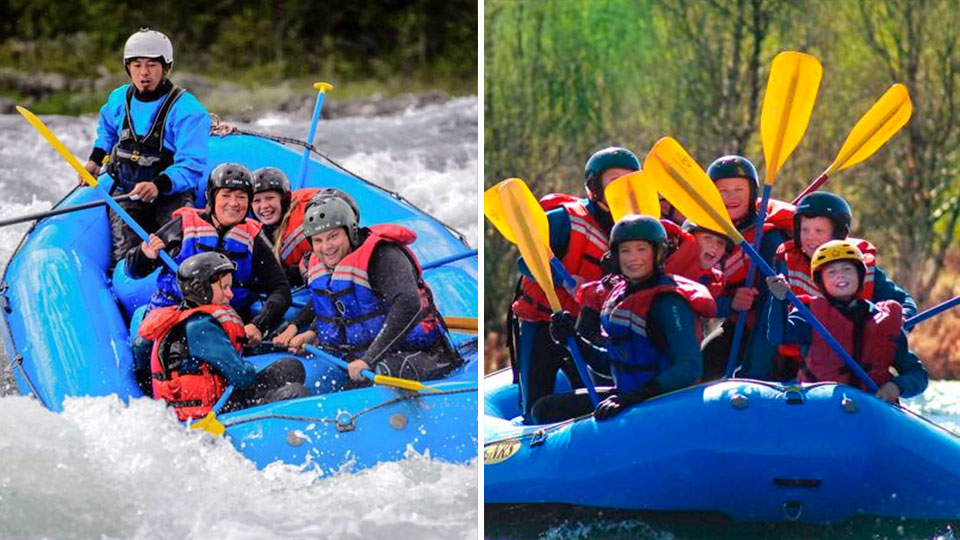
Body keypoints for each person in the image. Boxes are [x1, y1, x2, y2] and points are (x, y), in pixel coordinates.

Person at [532, 215, 716, 423]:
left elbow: (689, 369)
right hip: (629, 396)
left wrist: (634, 398)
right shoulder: (620, 294)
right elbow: (612, 364)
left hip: (664, 402)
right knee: (544, 409)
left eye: (641, 249)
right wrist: (573, 339)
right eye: (625, 251)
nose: (632, 258)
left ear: (658, 253)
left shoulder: (669, 302)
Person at [510, 146, 641, 422]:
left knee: (595, 400)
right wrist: (562, 279)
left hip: (587, 328)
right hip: (543, 322)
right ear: (594, 187)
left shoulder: (636, 227)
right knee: (534, 403)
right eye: (614, 181)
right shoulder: (565, 219)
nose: (622, 188)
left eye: (629, 181)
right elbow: (525, 262)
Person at [273, 190, 461, 383]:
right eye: (318, 240)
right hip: (361, 357)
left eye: (333, 236)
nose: (326, 247)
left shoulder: (383, 255)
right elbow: (334, 303)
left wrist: (369, 359)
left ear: (350, 231)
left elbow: (408, 303)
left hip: (423, 353)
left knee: (384, 371)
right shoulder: (325, 264)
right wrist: (313, 332)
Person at [80, 28, 210, 265]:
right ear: (128, 67)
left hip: (171, 194)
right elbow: (107, 131)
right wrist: (94, 161)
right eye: (137, 65)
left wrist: (157, 186)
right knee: (126, 259)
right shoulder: (118, 99)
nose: (144, 73)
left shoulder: (189, 110)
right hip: (128, 192)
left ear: (166, 68)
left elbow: (192, 165)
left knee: (180, 251)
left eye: (152, 65)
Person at [126, 162, 291, 346]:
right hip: (176, 314)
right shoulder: (182, 227)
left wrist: (259, 325)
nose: (234, 203)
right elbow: (133, 271)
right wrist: (144, 255)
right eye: (226, 195)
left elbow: (281, 288)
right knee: (143, 346)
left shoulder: (253, 239)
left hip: (225, 322)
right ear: (211, 198)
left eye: (241, 197)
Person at [137, 252, 307, 421]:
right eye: (224, 287)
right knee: (296, 393)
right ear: (200, 289)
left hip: (218, 399)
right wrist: (249, 367)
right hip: (205, 414)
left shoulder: (188, 317)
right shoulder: (200, 327)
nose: (230, 294)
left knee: (291, 367)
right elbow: (243, 377)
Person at [772, 191, 917, 380]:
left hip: (855, 364)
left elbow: (903, 301)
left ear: (839, 234)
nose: (810, 237)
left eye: (819, 231)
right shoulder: (786, 264)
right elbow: (777, 332)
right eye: (805, 230)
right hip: (801, 361)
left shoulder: (860, 266)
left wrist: (898, 321)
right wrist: (778, 298)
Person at [766, 240, 927, 403]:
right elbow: (778, 336)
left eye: (847, 269)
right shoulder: (810, 314)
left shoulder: (884, 321)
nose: (840, 275)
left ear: (860, 276)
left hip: (871, 407)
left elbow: (917, 374)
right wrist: (779, 300)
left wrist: (896, 386)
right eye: (831, 272)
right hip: (821, 403)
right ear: (821, 282)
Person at [698, 155, 794, 381]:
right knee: (697, 369)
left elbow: (771, 305)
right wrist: (730, 303)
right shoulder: (700, 234)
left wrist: (753, 370)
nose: (731, 197)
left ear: (752, 194)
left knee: (754, 372)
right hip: (735, 323)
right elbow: (694, 293)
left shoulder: (770, 237)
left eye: (739, 190)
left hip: (772, 330)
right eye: (723, 191)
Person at [249, 167, 321, 285]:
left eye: (270, 198)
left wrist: (298, 271)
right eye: (256, 201)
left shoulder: (308, 218)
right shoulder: (251, 229)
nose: (264, 206)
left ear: (285, 199)